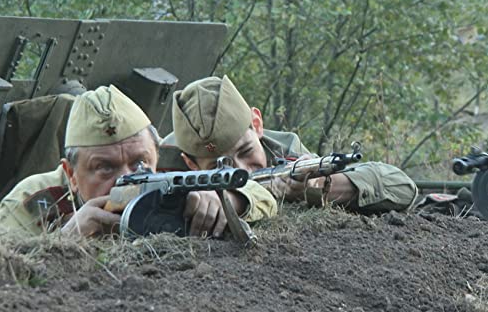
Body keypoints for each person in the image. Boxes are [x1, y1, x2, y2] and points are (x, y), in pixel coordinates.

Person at [0, 85, 276, 238]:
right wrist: (65, 240)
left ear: (156, 153)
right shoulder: (36, 198)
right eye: (105, 167)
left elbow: (260, 191)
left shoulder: (170, 175)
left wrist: (225, 198)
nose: (126, 178)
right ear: (72, 174)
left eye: (140, 162)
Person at [164, 75, 418, 213]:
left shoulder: (284, 152)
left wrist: (316, 187)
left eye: (246, 151)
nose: (242, 170)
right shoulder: (163, 165)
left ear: (257, 124)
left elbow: (402, 187)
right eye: (221, 165)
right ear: (191, 164)